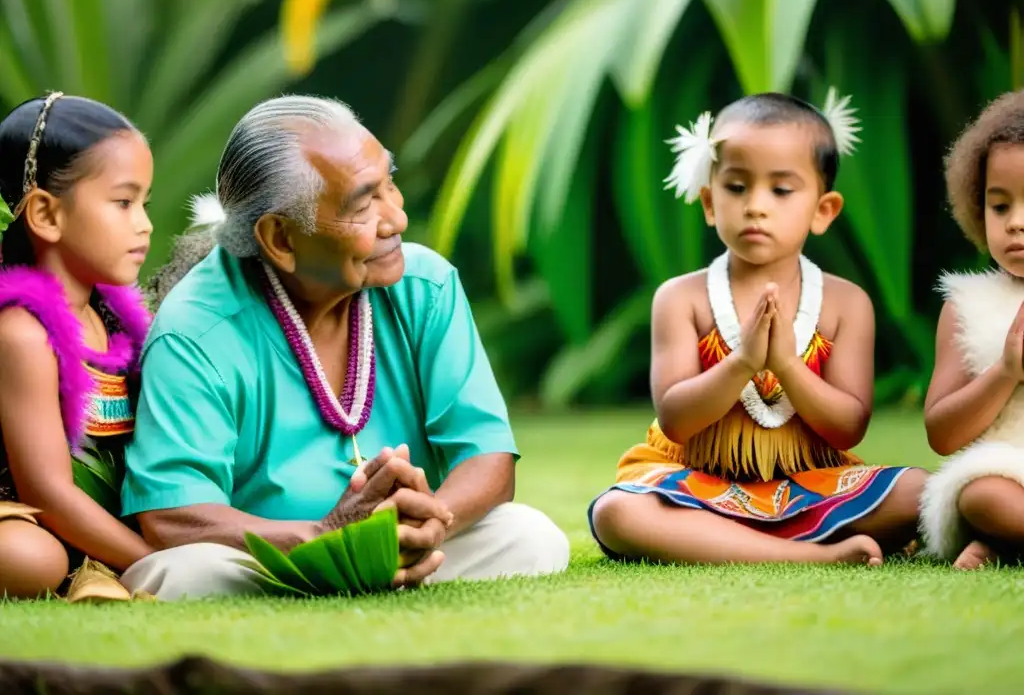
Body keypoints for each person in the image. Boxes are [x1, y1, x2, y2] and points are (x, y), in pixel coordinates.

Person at [118, 95, 569, 600]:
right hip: (274, 562)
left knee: (531, 538)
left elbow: (487, 456)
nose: (395, 218)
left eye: (389, 185)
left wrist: (428, 528)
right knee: (186, 575)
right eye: (362, 204)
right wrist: (326, 537)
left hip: (413, 544)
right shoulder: (194, 331)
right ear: (281, 239)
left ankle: (394, 573)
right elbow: (173, 517)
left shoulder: (427, 285)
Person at [587, 90, 927, 566]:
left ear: (822, 210)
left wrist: (787, 364)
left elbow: (848, 427)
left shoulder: (846, 303)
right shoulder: (680, 298)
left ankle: (745, 543)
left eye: (781, 190)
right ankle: (810, 555)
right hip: (697, 486)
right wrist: (742, 361)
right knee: (619, 512)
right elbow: (676, 420)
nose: (756, 206)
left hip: (809, 484)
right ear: (708, 202)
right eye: (737, 187)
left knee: (924, 492)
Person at [0, 92, 155, 600]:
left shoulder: (115, 324)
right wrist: (154, 562)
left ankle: (95, 561)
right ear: (46, 213)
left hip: (95, 519)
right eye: (123, 202)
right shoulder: (22, 333)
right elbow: (46, 492)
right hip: (26, 513)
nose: (145, 224)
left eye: (144, 203)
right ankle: (92, 564)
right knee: (33, 558)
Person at [920, 89, 1024, 570]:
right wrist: (1005, 371)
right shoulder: (967, 305)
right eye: (1000, 206)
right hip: (1011, 472)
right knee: (982, 497)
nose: (1016, 224)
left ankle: (1004, 548)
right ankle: (1004, 536)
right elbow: (942, 434)